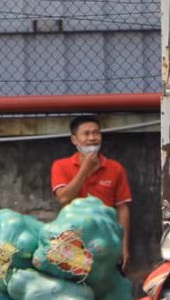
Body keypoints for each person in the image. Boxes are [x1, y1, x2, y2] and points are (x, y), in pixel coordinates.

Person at [51, 115, 132, 270]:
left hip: (107, 239)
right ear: (74, 140)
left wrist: (124, 246)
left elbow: (123, 208)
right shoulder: (61, 166)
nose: (92, 138)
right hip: (73, 240)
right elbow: (63, 198)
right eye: (86, 134)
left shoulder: (115, 168)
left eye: (96, 133)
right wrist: (85, 169)